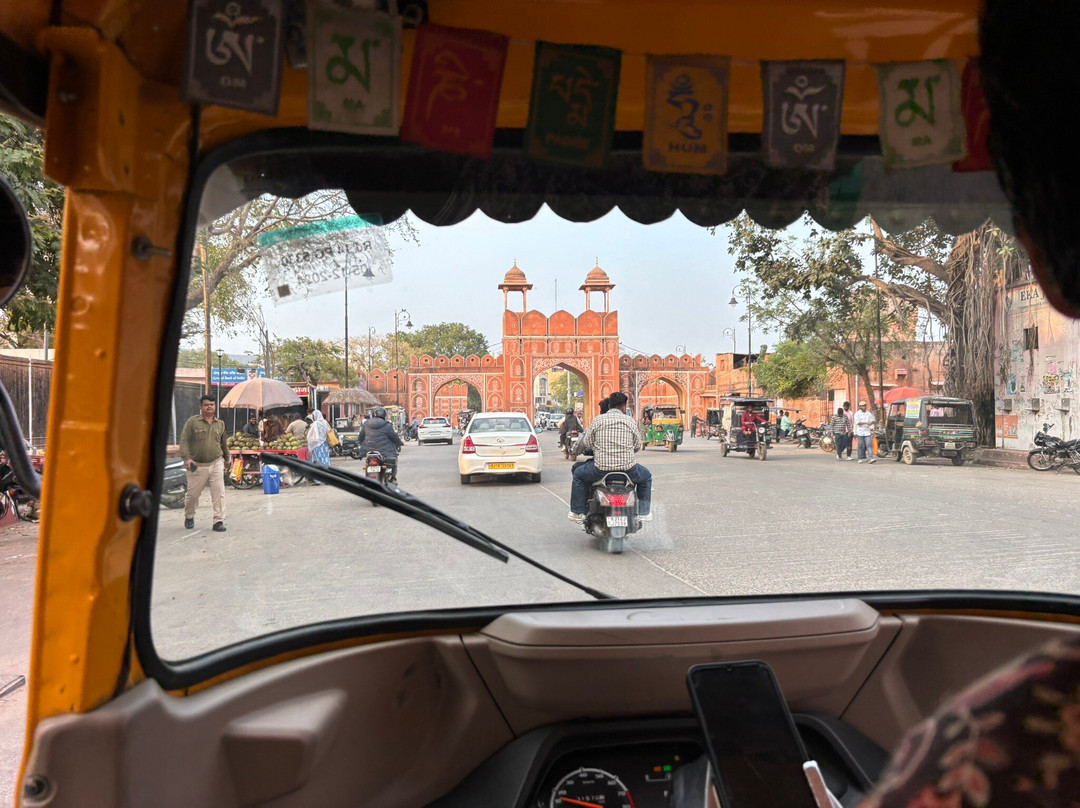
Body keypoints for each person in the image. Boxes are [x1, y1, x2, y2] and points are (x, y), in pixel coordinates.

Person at [568, 391, 652, 524]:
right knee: (646, 476)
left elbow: (587, 443)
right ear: (624, 407)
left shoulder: (598, 420)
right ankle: (643, 512)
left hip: (600, 470)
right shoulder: (630, 421)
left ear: (609, 405)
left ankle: (578, 511)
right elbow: (637, 446)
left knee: (578, 474)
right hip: (628, 470)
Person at [178, 394, 230, 532]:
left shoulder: (220, 423)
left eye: (212, 405)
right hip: (197, 465)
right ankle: (189, 516)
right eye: (206, 405)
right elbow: (184, 441)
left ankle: (218, 521)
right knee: (192, 495)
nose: (209, 407)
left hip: (216, 462)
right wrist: (186, 458)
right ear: (201, 407)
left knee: (219, 493)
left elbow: (224, 443)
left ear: (215, 407)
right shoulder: (192, 422)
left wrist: (227, 459)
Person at [358, 406, 403, 482]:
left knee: (367, 463)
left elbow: (360, 437)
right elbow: (394, 437)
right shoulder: (387, 425)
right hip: (385, 452)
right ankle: (392, 478)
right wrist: (399, 443)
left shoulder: (366, 424)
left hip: (369, 450)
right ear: (384, 415)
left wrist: (361, 445)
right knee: (392, 463)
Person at [306, 410, 331, 479]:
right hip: (325, 444)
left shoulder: (315, 424)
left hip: (317, 445)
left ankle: (318, 479)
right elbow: (328, 431)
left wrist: (311, 442)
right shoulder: (325, 422)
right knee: (325, 461)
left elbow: (312, 435)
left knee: (317, 462)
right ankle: (328, 477)